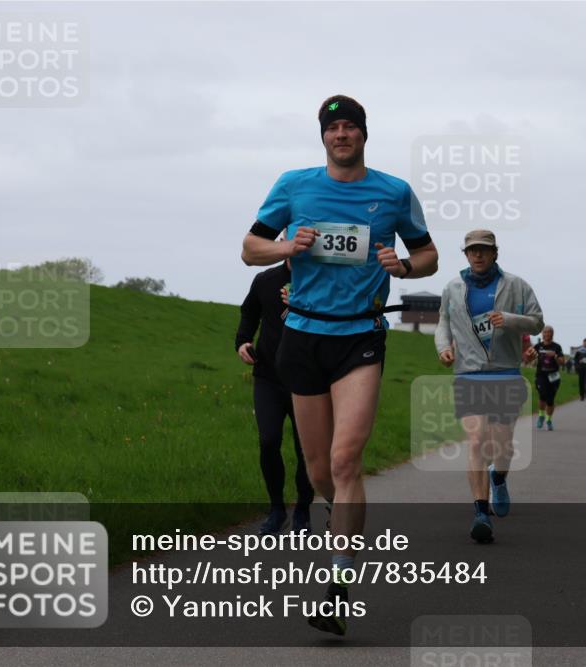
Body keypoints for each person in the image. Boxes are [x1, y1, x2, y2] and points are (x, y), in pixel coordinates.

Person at [241, 94, 439, 635]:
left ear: (364, 135)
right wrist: (286, 247)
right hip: (302, 336)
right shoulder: (294, 184)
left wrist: (404, 265)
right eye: (333, 128)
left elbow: (428, 256)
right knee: (319, 470)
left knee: (347, 460)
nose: (342, 135)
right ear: (323, 137)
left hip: (360, 337)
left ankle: (337, 585)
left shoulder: (393, 192)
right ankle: (343, 522)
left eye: (351, 127)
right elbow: (249, 247)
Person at [435, 230, 544, 543]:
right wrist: (443, 347)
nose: (478, 256)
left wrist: (509, 319)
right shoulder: (453, 287)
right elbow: (443, 323)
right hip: (468, 373)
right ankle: (481, 513)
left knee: (503, 446)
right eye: (472, 251)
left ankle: (499, 478)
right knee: (477, 440)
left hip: (506, 372)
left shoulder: (517, 285)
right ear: (466, 254)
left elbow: (537, 321)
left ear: (495, 253)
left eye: (484, 250)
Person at [236, 260, 315, 536]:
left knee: (306, 449)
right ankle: (276, 509)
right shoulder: (265, 280)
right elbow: (249, 313)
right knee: (268, 440)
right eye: (289, 234)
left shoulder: (321, 279)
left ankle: (303, 510)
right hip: (268, 376)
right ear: (284, 239)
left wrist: (303, 305)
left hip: (307, 377)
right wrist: (243, 341)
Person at [533, 326, 565, 430]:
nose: (546, 334)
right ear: (542, 334)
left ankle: (548, 420)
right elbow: (529, 356)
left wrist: (555, 356)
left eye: (549, 332)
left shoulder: (557, 347)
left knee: (550, 400)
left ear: (552, 334)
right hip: (541, 375)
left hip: (554, 376)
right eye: (545, 332)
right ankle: (541, 416)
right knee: (542, 395)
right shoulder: (538, 346)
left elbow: (562, 362)